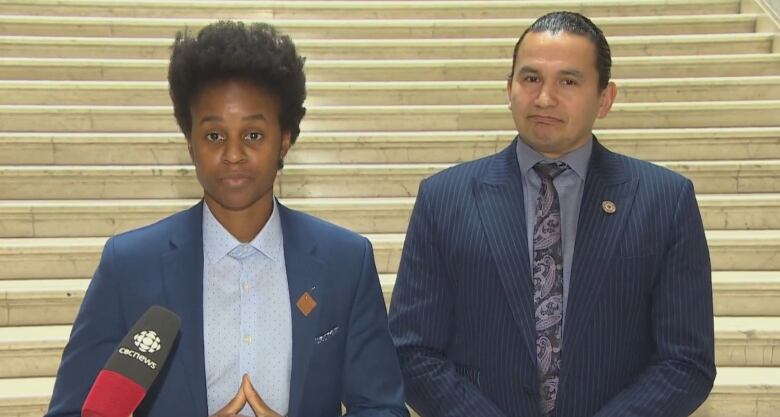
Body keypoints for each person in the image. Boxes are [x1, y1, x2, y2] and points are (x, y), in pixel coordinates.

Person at [46, 21, 408, 417]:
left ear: (284, 139)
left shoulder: (346, 262)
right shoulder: (129, 266)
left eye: (253, 135)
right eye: (214, 136)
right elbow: (74, 411)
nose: (233, 154)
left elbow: (382, 408)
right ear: (190, 142)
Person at [388, 11, 715, 417]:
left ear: (605, 98)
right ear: (509, 89)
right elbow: (412, 349)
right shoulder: (445, 198)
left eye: (568, 81)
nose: (545, 97)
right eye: (530, 79)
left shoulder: (665, 201)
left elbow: (686, 361)